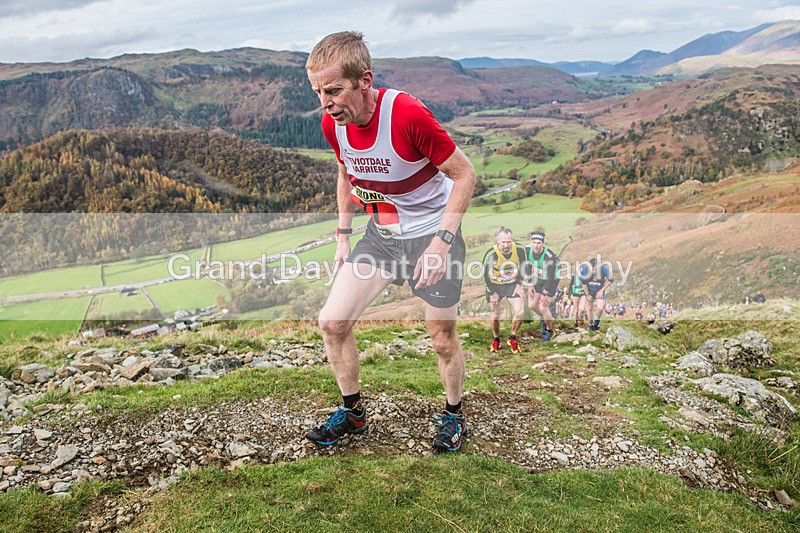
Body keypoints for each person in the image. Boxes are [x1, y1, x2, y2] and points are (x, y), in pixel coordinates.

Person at [303, 32, 476, 453]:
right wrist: (343, 234)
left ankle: (453, 414)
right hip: (381, 238)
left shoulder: (406, 114)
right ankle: (354, 412)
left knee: (441, 338)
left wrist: (441, 244)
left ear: (364, 80)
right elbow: (346, 171)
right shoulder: (334, 123)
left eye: (333, 90)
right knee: (333, 322)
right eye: (317, 92)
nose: (325, 103)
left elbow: (465, 174)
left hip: (431, 237)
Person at [482, 227, 527, 353]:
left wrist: (519, 284)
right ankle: (496, 339)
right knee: (495, 315)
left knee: (520, 312)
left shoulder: (519, 249)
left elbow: (524, 266)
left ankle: (512, 337)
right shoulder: (491, 254)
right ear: (497, 241)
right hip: (494, 286)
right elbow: (484, 275)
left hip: (512, 284)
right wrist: (492, 293)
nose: (506, 245)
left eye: (509, 242)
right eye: (503, 242)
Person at [523, 231, 560, 342]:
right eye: (534, 242)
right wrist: (530, 284)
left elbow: (551, 277)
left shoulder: (549, 256)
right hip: (538, 278)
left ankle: (550, 330)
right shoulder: (528, 250)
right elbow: (527, 267)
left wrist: (545, 293)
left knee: (543, 306)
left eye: (539, 243)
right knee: (532, 305)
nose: (536, 245)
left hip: (551, 280)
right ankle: (547, 318)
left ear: (543, 244)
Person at [579, 257, 613, 331]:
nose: (594, 271)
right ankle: (590, 324)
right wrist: (587, 294)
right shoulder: (585, 270)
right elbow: (583, 284)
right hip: (589, 290)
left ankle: (597, 320)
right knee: (589, 308)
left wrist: (602, 290)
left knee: (600, 307)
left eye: (596, 269)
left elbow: (610, 280)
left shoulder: (604, 269)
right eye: (593, 269)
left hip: (599, 290)